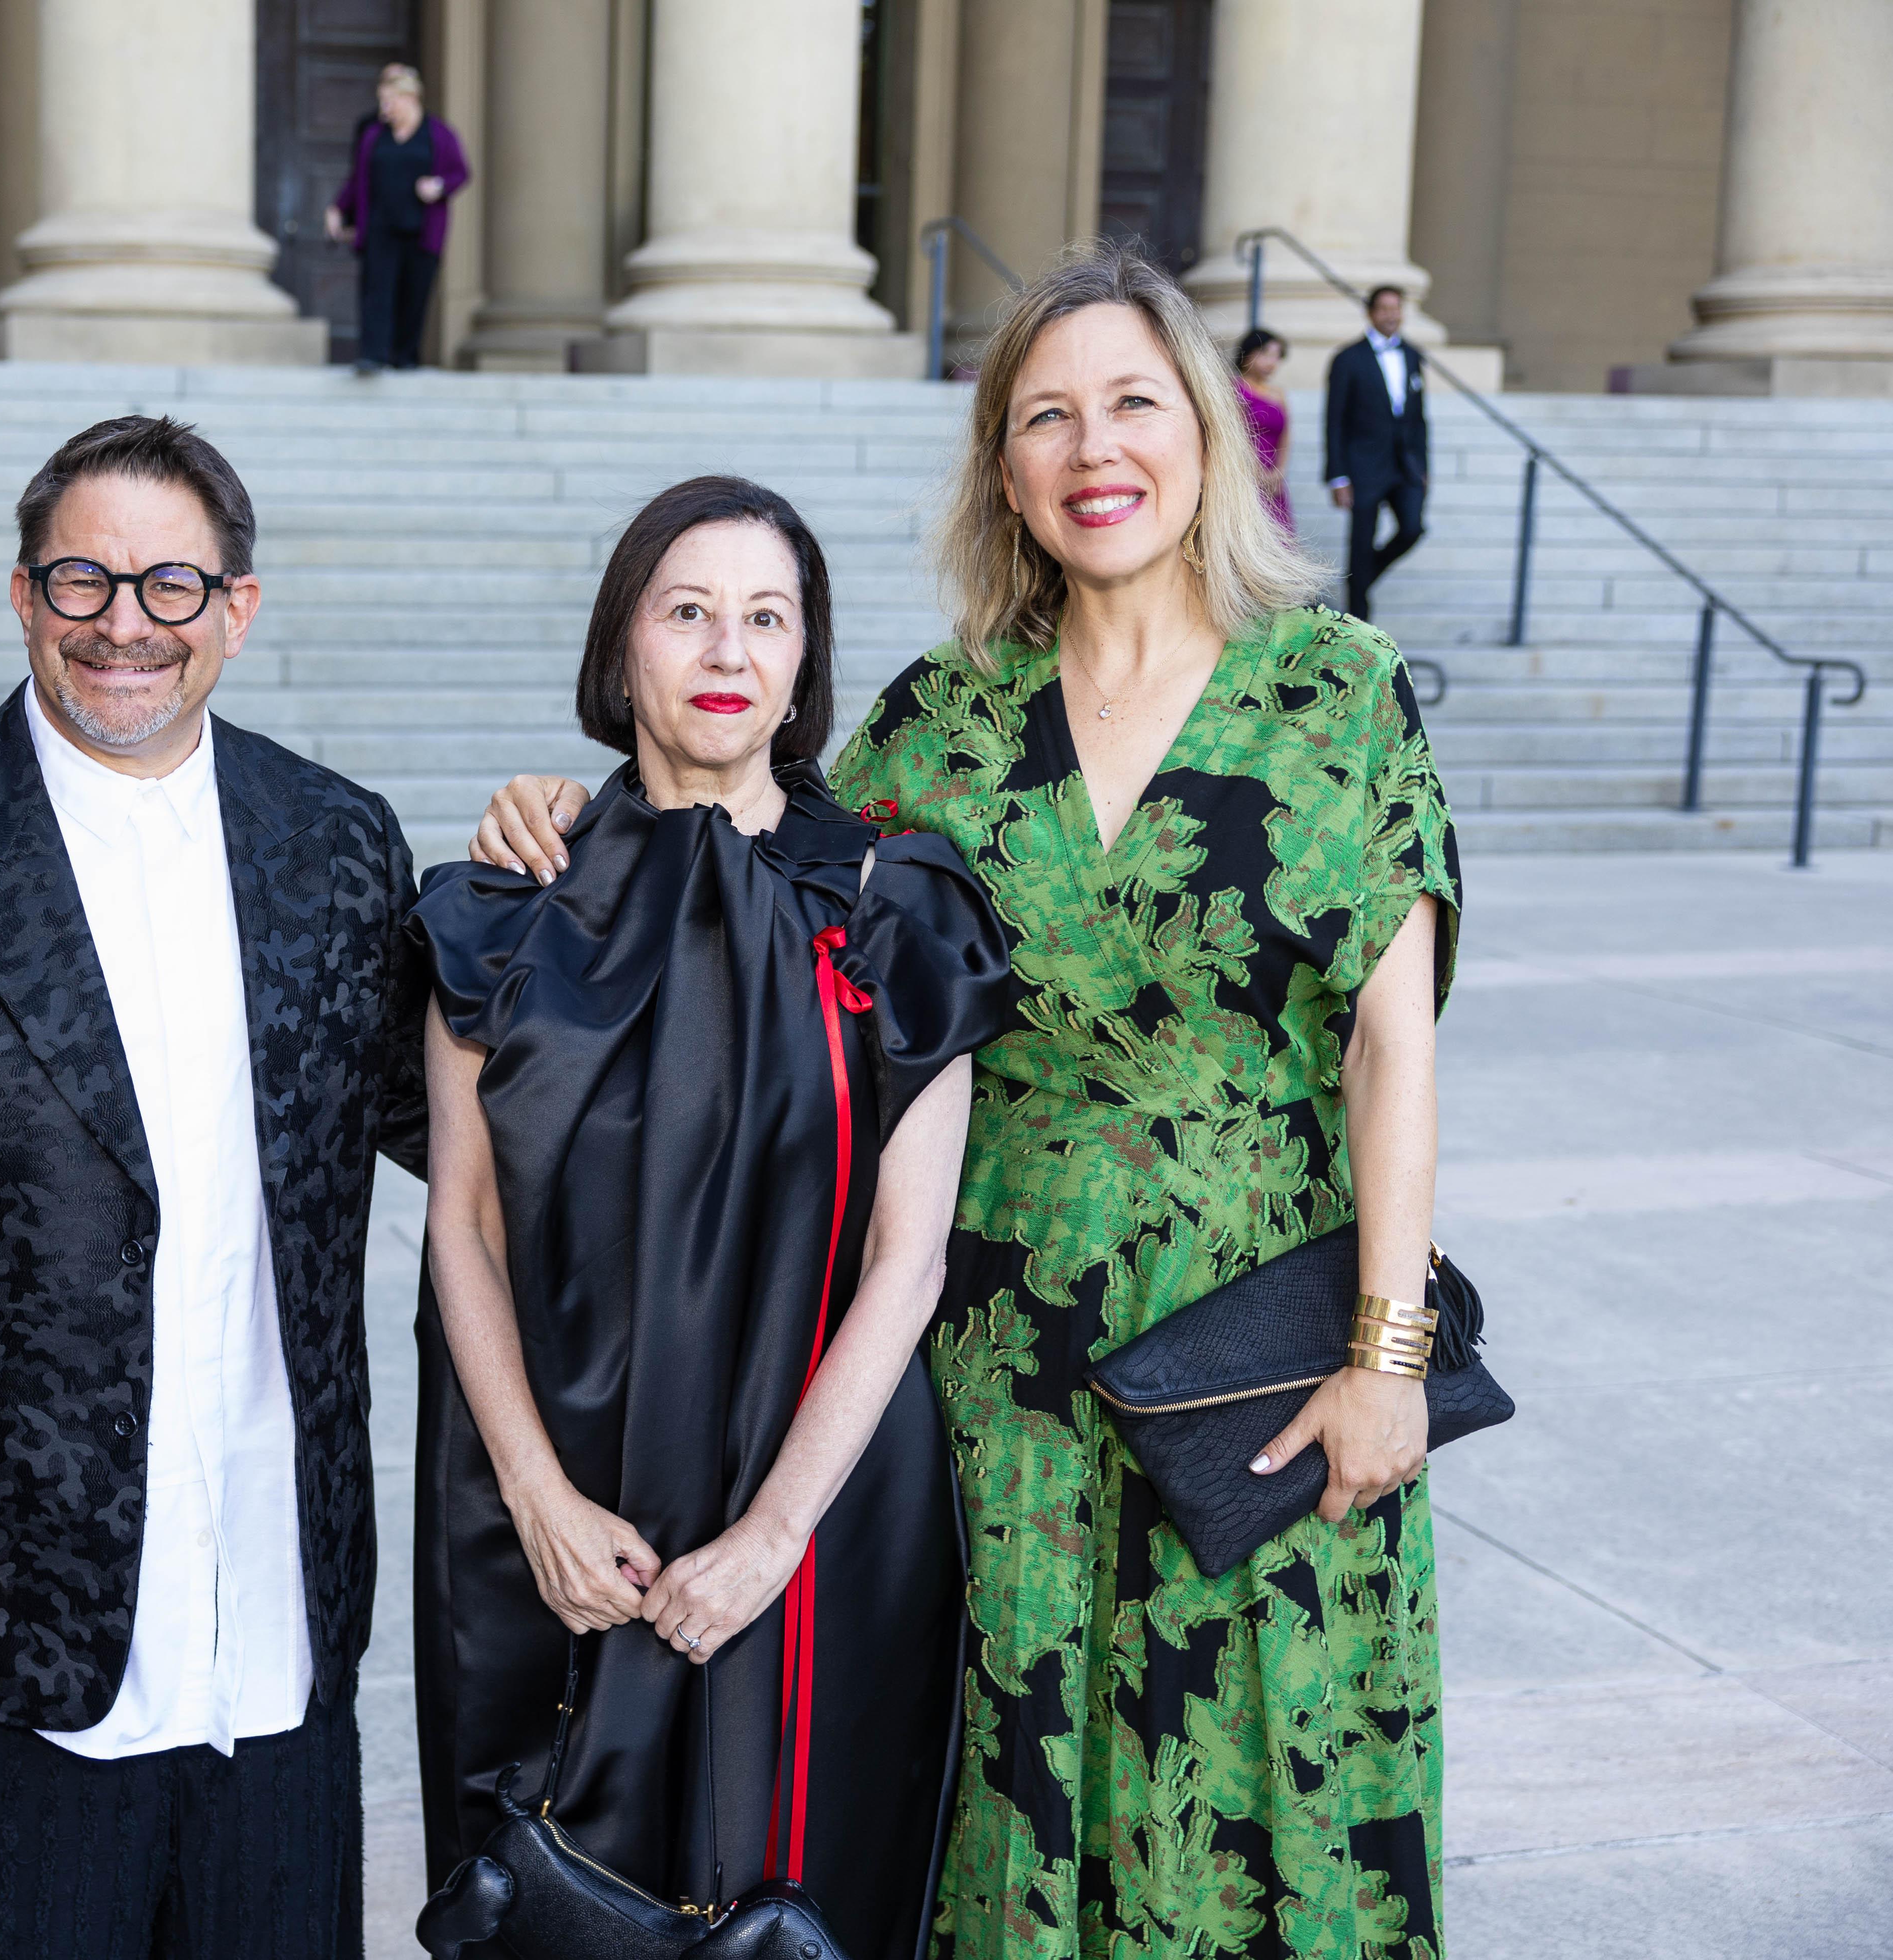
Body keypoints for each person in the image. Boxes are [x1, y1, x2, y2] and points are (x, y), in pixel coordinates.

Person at [470, 242, 1461, 1958]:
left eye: (1132, 404)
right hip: (993, 1391)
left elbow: (1392, 1048)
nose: (1095, 449)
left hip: (1262, 1371)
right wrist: (564, 814)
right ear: (1002, 465)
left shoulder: (1339, 692)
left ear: (1208, 435)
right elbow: (752, 853)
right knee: (1011, 1805)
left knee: (1268, 1791)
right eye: (1045, 415)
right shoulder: (940, 722)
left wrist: (1389, 1360)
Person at [0, 414, 432, 1956]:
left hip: (274, 1629)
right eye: (84, 578)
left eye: (172, 584)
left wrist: (594, 890)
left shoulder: (336, 845)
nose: (126, 621)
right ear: (23, 595)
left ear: (236, 610)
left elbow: (455, 1121)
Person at [413, 477, 1013, 1949]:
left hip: (811, 1511)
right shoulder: (499, 909)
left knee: (793, 1905)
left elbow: (908, 1258)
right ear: (623, 647)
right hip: (549, 1500)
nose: (725, 647)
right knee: (551, 1905)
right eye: (686, 610)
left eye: (766, 615)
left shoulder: (901, 908)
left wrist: (772, 1536)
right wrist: (542, 1504)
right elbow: (463, 1230)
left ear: (806, 660)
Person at [325, 64, 470, 374]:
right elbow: (358, 179)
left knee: (414, 294)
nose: (385, 109)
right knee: (377, 291)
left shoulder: (439, 134)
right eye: (383, 101)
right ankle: (373, 356)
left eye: (390, 101)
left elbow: (460, 172)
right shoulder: (374, 136)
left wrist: (439, 186)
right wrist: (338, 208)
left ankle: (404, 357)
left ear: (410, 99)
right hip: (380, 226)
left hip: (422, 230)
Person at [1324, 285, 1429, 620]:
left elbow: (1419, 416)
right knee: (1360, 542)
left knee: (1412, 528)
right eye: (1384, 308)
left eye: (1396, 308)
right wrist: (1337, 475)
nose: (1391, 315)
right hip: (1363, 465)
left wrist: (1423, 465)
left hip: (1406, 466)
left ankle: (1362, 580)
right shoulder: (1347, 358)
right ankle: (1358, 617)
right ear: (1370, 312)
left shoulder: (1412, 354)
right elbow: (1334, 420)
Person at [1235, 325, 1294, 532]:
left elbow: (1286, 437)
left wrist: (1279, 473)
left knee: (1279, 539)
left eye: (1277, 357)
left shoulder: (1278, 394)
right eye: (1266, 355)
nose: (1272, 362)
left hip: (1274, 480)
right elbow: (1234, 436)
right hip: (1242, 475)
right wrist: (1256, 472)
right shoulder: (1233, 388)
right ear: (1248, 354)